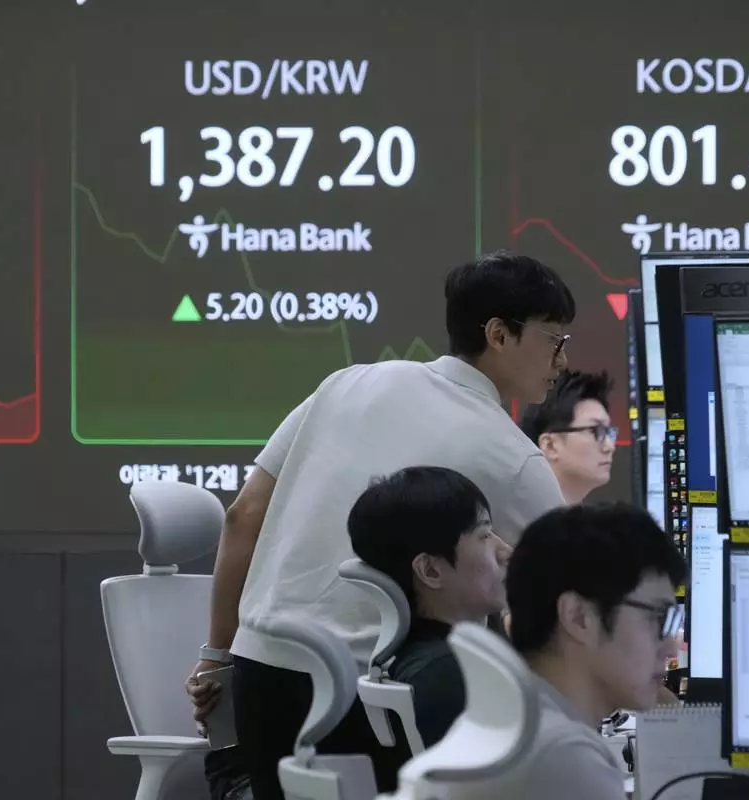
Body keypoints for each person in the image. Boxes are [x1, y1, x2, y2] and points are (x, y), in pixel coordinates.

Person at [185, 251, 574, 800]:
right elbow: (576, 605)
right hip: (377, 698)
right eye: (555, 340)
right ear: (498, 334)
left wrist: (217, 658)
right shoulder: (515, 459)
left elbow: (243, 515)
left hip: (260, 676)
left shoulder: (348, 383)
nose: (562, 363)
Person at [452, 503, 687, 799]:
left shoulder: (515, 724)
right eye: (658, 618)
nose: (669, 647)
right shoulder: (564, 760)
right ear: (578, 617)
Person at [347, 466, 509, 748]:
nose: (505, 550)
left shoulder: (425, 661)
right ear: (431, 570)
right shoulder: (450, 672)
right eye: (484, 535)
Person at [520, 370, 616, 504]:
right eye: (596, 431)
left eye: (608, 432)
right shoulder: (519, 518)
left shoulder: (586, 522)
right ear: (550, 446)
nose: (609, 447)